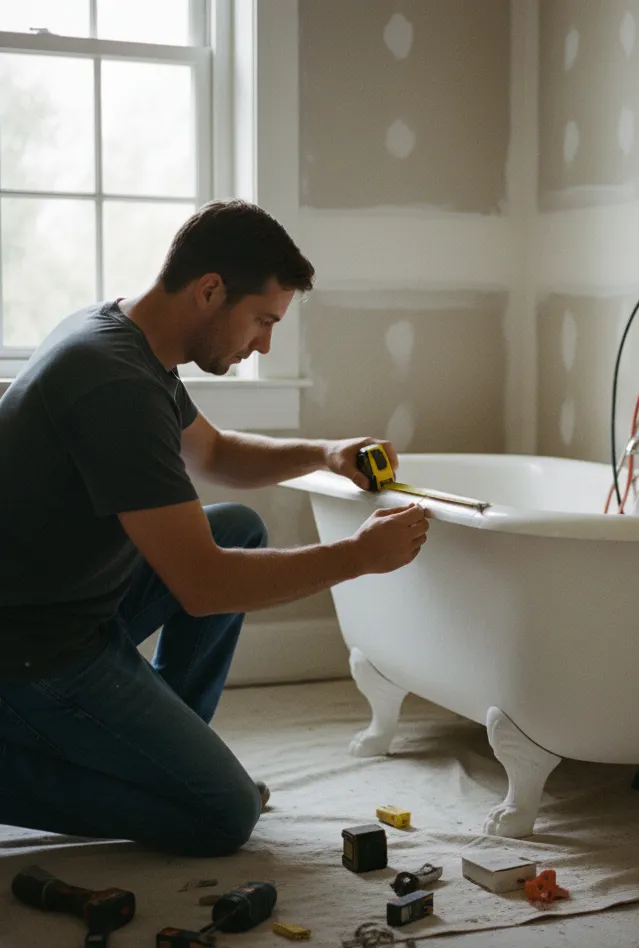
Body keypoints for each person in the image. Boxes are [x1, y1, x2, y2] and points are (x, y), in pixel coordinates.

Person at [0, 199, 429, 857]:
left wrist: (323, 453)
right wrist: (358, 555)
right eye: (262, 320)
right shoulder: (114, 381)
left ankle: (161, 745)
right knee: (221, 814)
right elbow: (201, 584)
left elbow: (216, 454)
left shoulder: (125, 338)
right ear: (209, 291)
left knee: (238, 527)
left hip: (70, 602)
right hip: (36, 650)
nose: (263, 344)